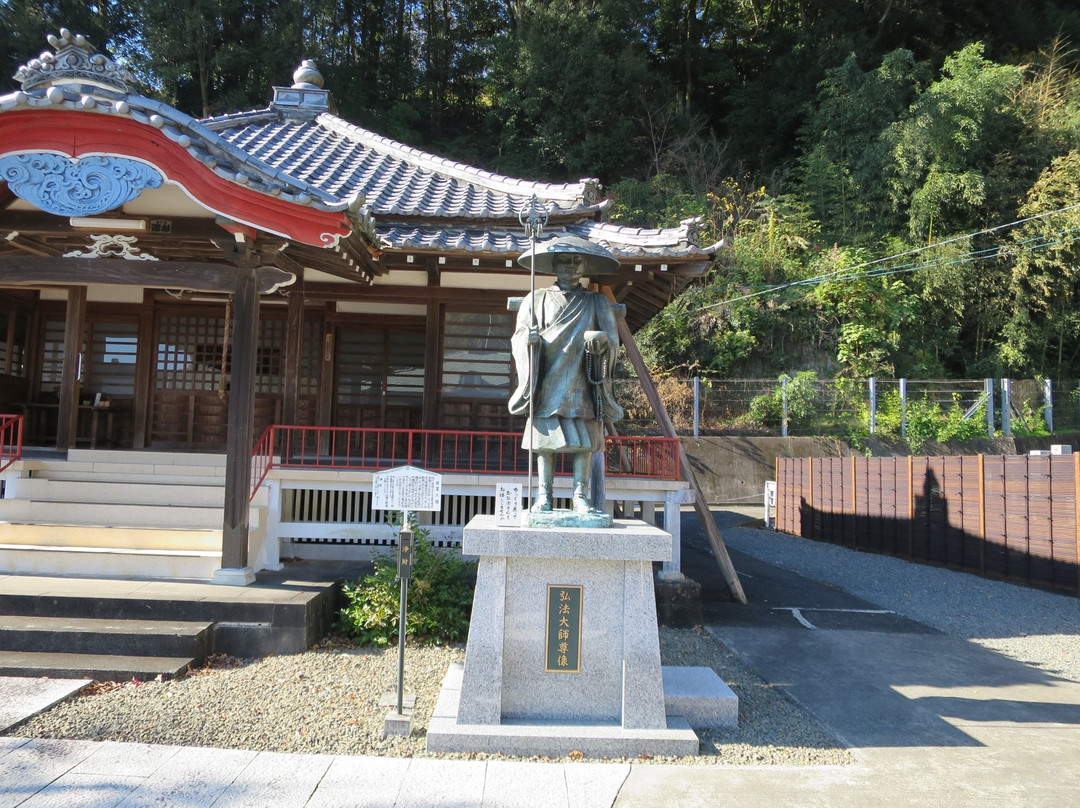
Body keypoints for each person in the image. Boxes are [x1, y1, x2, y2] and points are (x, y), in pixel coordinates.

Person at [509, 235, 624, 514]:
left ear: (584, 265)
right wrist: (529, 341)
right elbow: (519, 335)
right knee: (546, 443)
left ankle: (580, 495)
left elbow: (613, 341)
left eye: (576, 260)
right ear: (553, 264)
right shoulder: (536, 298)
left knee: (583, 441)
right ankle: (544, 495)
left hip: (583, 379)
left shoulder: (597, 302)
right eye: (564, 260)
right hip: (547, 378)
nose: (571, 266)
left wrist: (601, 343)